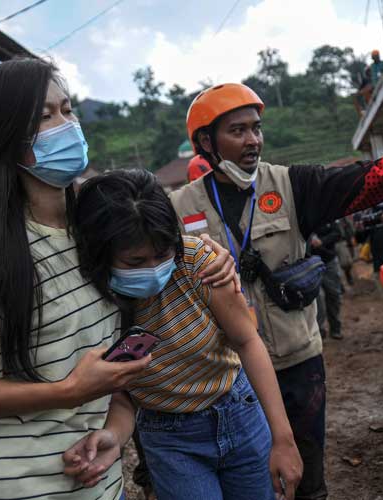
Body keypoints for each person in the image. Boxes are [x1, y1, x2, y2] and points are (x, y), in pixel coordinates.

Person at [0, 58, 236, 500]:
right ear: (5, 138)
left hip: (101, 480)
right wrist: (68, 392)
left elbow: (113, 376)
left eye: (67, 110)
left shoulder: (97, 230)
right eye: (44, 117)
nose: (66, 125)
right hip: (21, 487)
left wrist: (115, 434)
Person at [167, 82, 383, 499]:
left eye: (256, 128)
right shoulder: (177, 208)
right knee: (253, 480)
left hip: (298, 360)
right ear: (206, 141)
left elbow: (378, 177)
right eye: (237, 131)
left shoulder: (294, 185)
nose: (253, 141)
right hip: (229, 374)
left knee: (309, 478)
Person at [65, 169, 303, 500]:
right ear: (100, 255)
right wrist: (114, 438)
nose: (152, 268)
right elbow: (119, 393)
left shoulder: (197, 263)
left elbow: (247, 341)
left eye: (162, 255)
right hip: (170, 439)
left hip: (239, 413)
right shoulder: (93, 302)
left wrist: (283, 438)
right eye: (135, 261)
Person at [309, 222, 343, 339]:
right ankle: (319, 330)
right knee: (316, 299)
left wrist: (322, 241)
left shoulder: (327, 212)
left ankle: (335, 328)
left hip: (328, 260)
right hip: (309, 264)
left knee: (334, 294)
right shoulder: (302, 213)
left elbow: (338, 233)